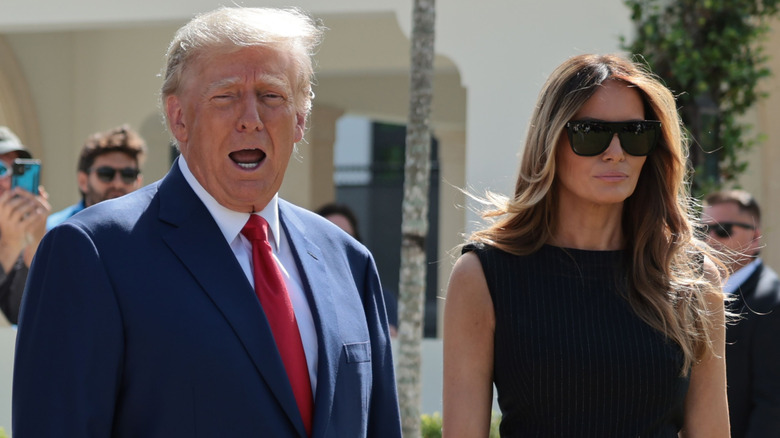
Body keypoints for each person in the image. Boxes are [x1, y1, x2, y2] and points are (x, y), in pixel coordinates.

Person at [13, 7, 401, 437]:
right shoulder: (92, 253)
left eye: (272, 96)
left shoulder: (348, 260)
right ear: (179, 118)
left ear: (300, 121)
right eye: (226, 95)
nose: (250, 118)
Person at [442, 54, 729, 437]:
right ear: (551, 142)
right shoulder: (484, 277)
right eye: (591, 132)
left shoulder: (691, 281)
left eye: (635, 133)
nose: (616, 151)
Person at [702, 190, 780, 437]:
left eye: (723, 229)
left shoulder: (771, 302)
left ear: (755, 237)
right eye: (703, 230)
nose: (710, 239)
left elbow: (773, 404)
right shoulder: (700, 292)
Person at [316, 202, 398, 337]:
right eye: (328, 236)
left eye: (346, 238)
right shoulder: (298, 293)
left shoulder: (379, 299)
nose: (337, 245)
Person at [46, 124, 145, 229]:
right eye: (106, 174)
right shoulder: (54, 230)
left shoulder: (148, 230)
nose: (118, 183)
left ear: (139, 182)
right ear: (83, 181)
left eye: (128, 175)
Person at [0, 126, 50, 325]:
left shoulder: (24, 228)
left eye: (18, 169)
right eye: (1, 169)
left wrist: (36, 243)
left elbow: (22, 314)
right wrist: (11, 246)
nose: (8, 180)